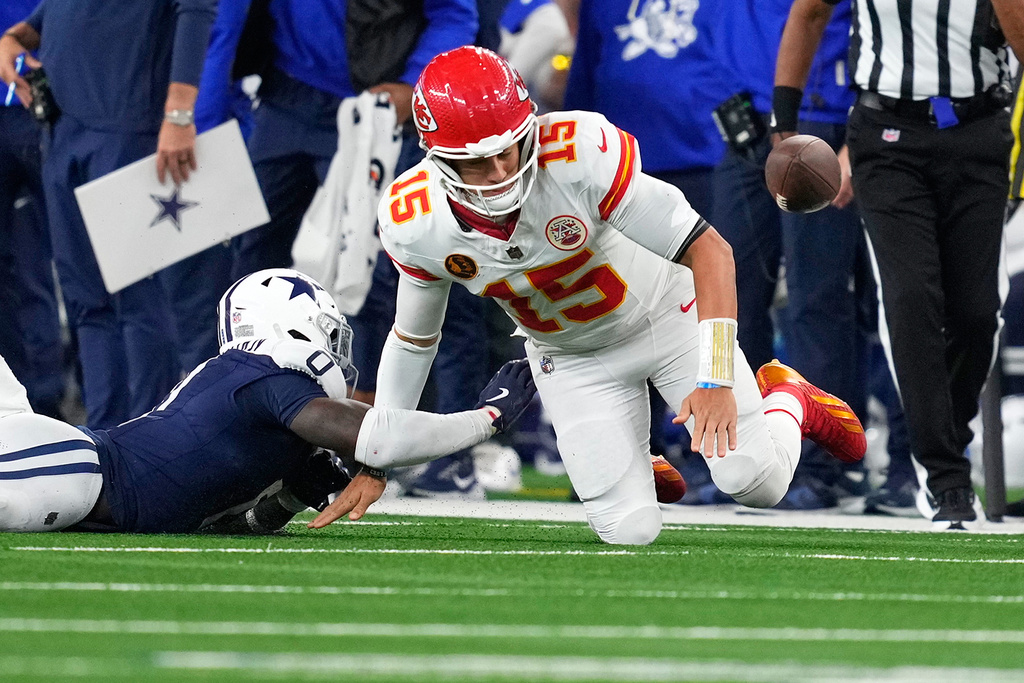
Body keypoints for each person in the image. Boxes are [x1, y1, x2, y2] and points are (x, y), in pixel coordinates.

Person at [369, 46, 867, 545]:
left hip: (670, 317)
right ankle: (638, 457)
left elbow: (710, 251)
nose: (501, 171)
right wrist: (379, 460)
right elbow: (414, 340)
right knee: (628, 532)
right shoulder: (416, 220)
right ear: (437, 158)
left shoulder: (579, 153)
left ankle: (790, 398)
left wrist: (714, 378)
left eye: (511, 148)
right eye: (477, 161)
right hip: (572, 358)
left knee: (754, 481)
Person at [0, 268, 537, 534]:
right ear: (295, 326)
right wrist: (485, 418)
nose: (336, 350)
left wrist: (289, 499)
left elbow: (227, 527)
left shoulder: (270, 408)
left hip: (89, 489)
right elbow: (381, 436)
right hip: (76, 468)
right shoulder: (263, 377)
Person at [775, 0, 1024, 529]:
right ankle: (945, 476)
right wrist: (784, 124)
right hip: (888, 135)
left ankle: (945, 439)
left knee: (978, 313)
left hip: (979, 129)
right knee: (912, 299)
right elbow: (810, 12)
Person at [0, 0, 216, 429]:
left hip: (127, 130)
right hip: (62, 132)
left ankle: (150, 439)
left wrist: (179, 112)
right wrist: (12, 38)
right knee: (85, 301)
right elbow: (53, 15)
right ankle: (102, 440)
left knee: (138, 299)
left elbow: (196, 7)